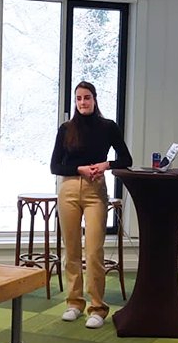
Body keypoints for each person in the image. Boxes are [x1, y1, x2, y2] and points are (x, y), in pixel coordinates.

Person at [49, 81, 132, 329]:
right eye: (78, 99)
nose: (83, 102)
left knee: (94, 250)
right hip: (69, 188)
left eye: (87, 98)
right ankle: (74, 303)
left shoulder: (108, 127)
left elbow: (126, 159)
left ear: (95, 99)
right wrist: (79, 168)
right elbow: (55, 166)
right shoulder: (66, 129)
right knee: (71, 249)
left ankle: (97, 307)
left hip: (96, 191)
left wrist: (105, 164)